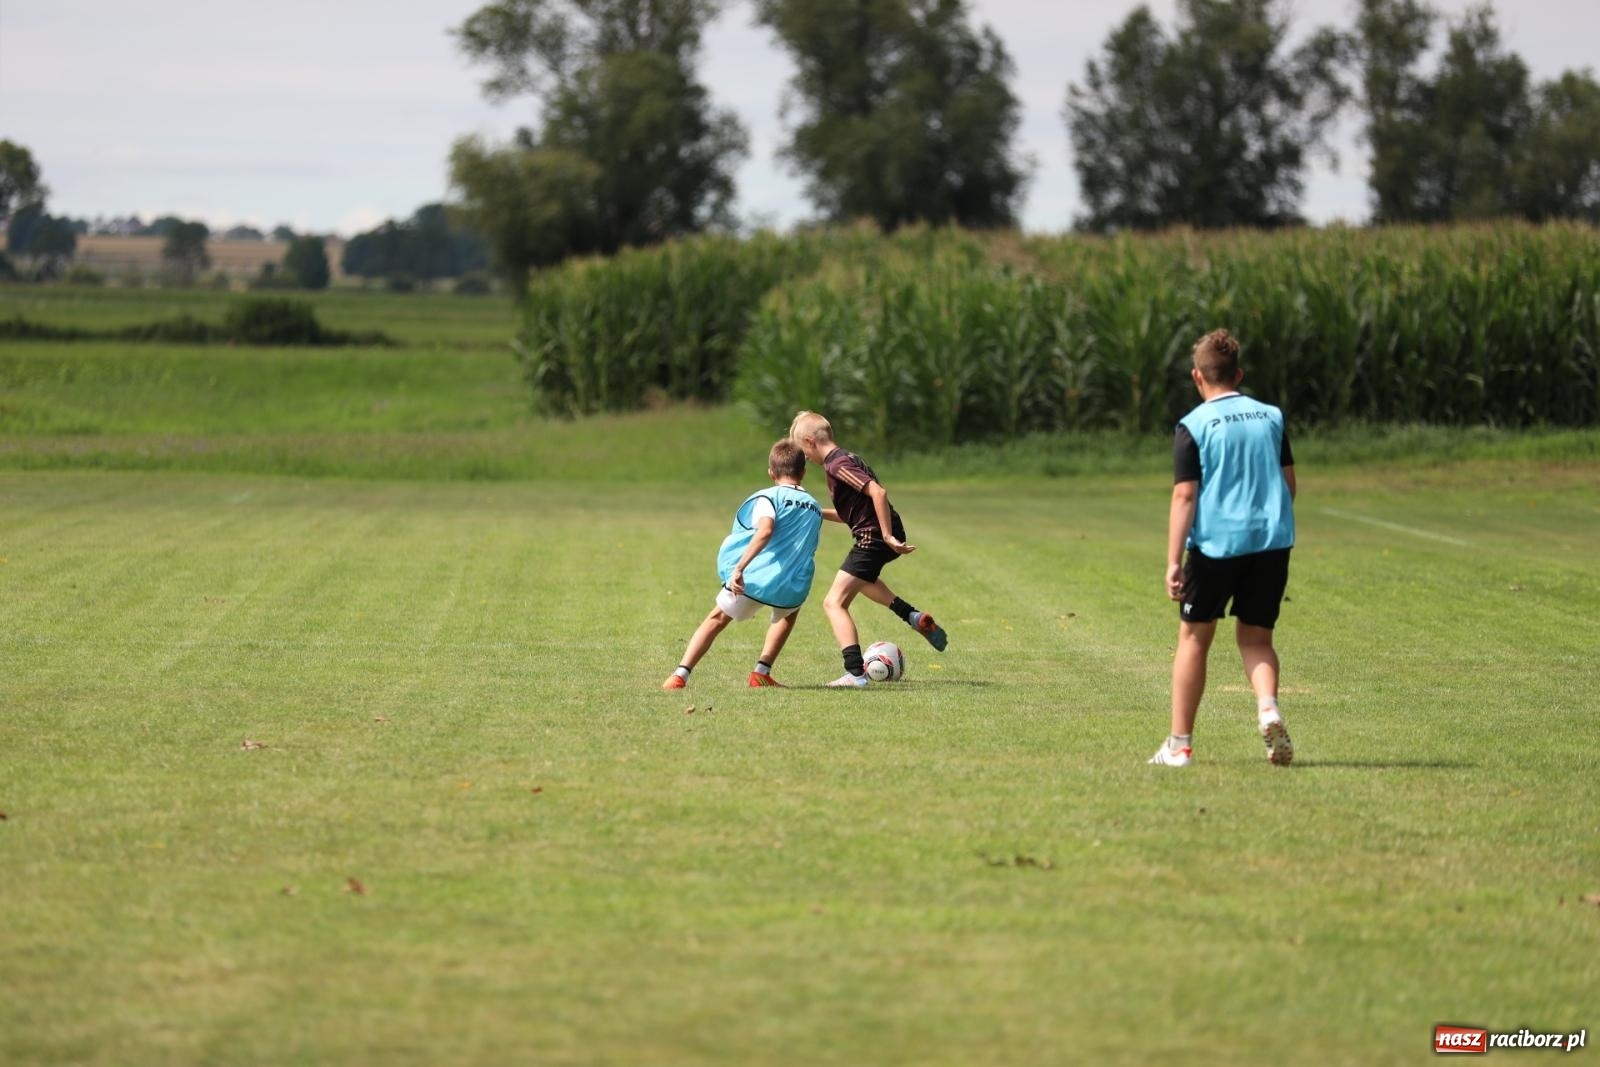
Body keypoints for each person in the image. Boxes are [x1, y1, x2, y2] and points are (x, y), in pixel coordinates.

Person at [1151, 329, 1297, 767]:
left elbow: (1185, 496)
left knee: (1194, 639)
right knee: (1256, 638)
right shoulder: (1271, 417)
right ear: (1239, 374)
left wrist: (1174, 561)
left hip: (1217, 546)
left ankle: (1179, 745)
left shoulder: (1193, 426)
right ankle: (1267, 707)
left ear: (1198, 376)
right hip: (1271, 543)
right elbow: (1288, 484)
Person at [787, 411, 948, 688]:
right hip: (878, 535)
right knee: (861, 581)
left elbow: (878, 493)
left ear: (810, 441)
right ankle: (912, 616)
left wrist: (886, 535)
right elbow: (850, 513)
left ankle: (855, 674)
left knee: (833, 603)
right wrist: (813, 510)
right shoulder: (848, 459)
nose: (805, 459)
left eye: (803, 451)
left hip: (875, 537)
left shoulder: (836, 465)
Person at [662, 439, 823, 690]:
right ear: (803, 472)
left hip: (753, 579)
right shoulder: (813, 506)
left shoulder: (767, 497)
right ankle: (762, 672)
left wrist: (739, 568)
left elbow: (765, 530)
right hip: (790, 587)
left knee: (716, 619)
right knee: (788, 614)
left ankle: (680, 675)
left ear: (771, 473)